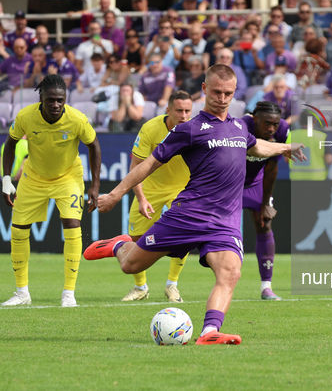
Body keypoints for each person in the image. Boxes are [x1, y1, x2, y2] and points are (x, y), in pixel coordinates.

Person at [83, 65, 305, 345]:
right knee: (130, 265)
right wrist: (115, 194)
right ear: (204, 89)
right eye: (216, 92)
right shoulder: (189, 130)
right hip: (187, 216)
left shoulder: (238, 126)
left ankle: (210, 332)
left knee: (230, 272)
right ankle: (118, 245)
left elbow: (257, 146)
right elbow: (149, 164)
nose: (222, 98)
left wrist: (285, 147)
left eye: (228, 93)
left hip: (224, 222)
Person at [1, 74, 101, 307]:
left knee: (72, 224)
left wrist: (95, 185)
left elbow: (94, 145)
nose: (56, 105)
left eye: (60, 100)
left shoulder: (77, 119)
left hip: (68, 177)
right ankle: (22, 292)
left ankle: (68, 293)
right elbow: (10, 143)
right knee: (18, 229)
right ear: (41, 98)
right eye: (51, 100)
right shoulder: (26, 116)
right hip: (33, 177)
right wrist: (6, 178)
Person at [118, 91, 192, 302]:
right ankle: (140, 287)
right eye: (179, 110)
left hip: (182, 188)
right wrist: (141, 198)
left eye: (188, 111)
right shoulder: (150, 128)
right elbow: (136, 166)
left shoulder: (194, 130)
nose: (184, 115)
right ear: (168, 110)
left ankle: (172, 285)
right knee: (134, 238)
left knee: (183, 236)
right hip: (150, 187)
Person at [242, 102, 290, 300]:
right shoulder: (241, 127)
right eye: (267, 123)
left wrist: (265, 204)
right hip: (230, 183)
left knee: (264, 223)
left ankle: (266, 287)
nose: (272, 128)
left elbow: (271, 168)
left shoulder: (283, 130)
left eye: (275, 124)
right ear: (255, 120)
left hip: (255, 182)